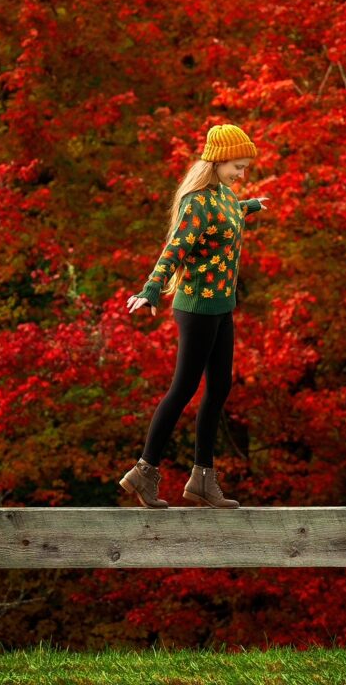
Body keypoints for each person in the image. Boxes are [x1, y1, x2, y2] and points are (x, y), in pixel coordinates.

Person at [119, 123, 269, 509]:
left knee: (220, 387)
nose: (242, 173)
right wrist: (151, 289)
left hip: (222, 307)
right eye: (237, 165)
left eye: (244, 166)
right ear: (217, 161)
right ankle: (144, 470)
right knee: (183, 389)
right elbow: (175, 249)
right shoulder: (196, 201)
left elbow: (228, 214)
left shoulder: (224, 196)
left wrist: (248, 206)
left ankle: (202, 477)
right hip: (197, 309)